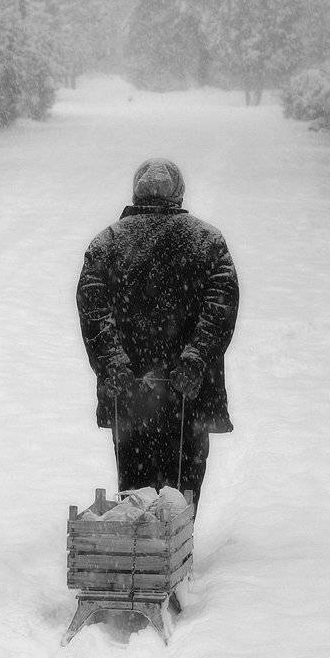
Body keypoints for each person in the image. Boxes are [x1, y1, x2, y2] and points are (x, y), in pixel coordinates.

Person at [76, 158, 239, 510]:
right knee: (184, 479)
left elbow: (94, 311)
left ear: (136, 191)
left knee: (135, 484)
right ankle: (175, 548)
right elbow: (220, 308)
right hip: (189, 393)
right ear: (178, 194)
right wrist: (194, 361)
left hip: (131, 392)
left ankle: (139, 547)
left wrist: (114, 363)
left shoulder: (107, 244)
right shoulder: (207, 242)